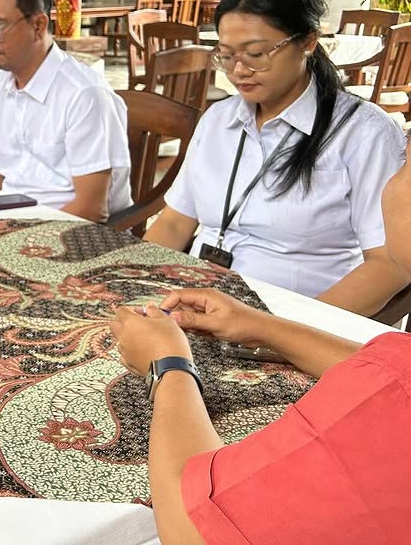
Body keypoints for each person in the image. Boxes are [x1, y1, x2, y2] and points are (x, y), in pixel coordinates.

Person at [110, 129, 411, 542]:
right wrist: (262, 326)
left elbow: (191, 525)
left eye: (406, 164)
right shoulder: (220, 118)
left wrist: (168, 365)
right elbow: (391, 371)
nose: (392, 183)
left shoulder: (359, 131)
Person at [143, 0, 407, 315]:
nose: (238, 70)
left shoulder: (363, 133)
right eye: (225, 55)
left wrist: (285, 333)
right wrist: (137, 286)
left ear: (308, 42)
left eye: (255, 54)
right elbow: (176, 222)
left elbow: (388, 265)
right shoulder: (218, 120)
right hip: (197, 304)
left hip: (293, 317)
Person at [0, 0, 130, 221]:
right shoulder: (0, 83)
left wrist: (18, 240)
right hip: (11, 223)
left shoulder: (84, 95)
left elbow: (92, 209)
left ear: (38, 25)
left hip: (71, 232)